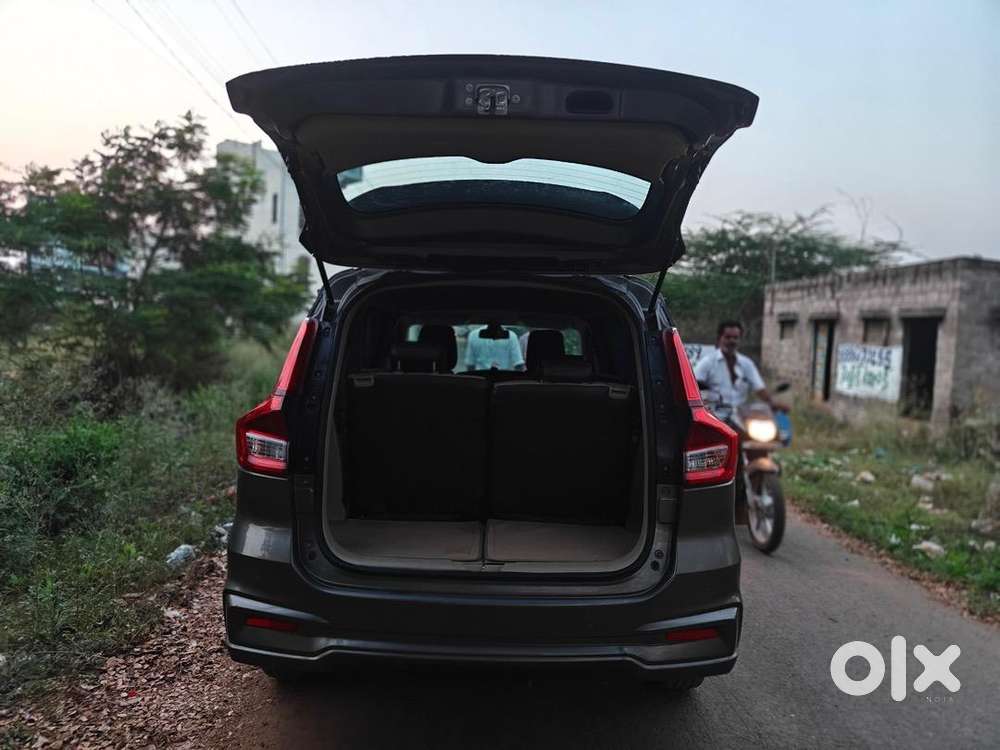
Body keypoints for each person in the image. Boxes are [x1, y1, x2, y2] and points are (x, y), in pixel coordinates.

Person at [693, 320, 784, 411]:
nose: (732, 341)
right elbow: (692, 385)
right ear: (719, 338)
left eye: (735, 338)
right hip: (715, 415)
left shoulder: (747, 364)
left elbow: (759, 388)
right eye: (728, 337)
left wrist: (772, 403)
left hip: (741, 417)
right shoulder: (708, 362)